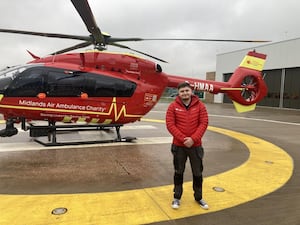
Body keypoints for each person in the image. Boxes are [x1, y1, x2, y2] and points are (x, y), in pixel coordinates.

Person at [166, 82, 209, 210]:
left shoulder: (200, 106)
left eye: (187, 91)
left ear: (191, 92)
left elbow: (204, 123)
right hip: (179, 146)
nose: (185, 93)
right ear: (178, 93)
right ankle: (177, 197)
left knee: (197, 172)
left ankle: (199, 197)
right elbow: (170, 124)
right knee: (178, 172)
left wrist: (193, 139)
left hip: (195, 146)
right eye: (182, 91)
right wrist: (183, 139)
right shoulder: (173, 106)